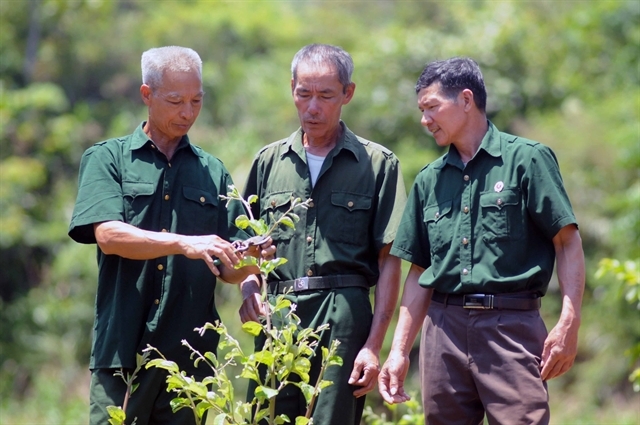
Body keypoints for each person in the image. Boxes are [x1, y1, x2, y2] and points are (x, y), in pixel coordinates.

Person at [68, 46, 273, 425]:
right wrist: (185, 242)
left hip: (190, 361)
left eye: (196, 101)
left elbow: (227, 263)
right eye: (176, 101)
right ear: (147, 95)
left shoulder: (213, 172)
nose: (187, 112)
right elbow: (109, 235)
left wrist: (251, 270)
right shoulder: (107, 159)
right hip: (122, 353)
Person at [378, 57, 585, 424]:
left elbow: (567, 242)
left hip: (510, 327)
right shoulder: (429, 179)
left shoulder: (527, 160)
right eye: (421, 111)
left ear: (467, 99)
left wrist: (569, 321)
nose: (425, 120)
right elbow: (419, 272)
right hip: (443, 333)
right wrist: (398, 351)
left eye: (432, 108)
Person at [238, 43, 407, 425]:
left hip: (344, 316)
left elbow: (389, 262)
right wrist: (249, 287)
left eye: (326, 96)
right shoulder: (268, 162)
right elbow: (247, 245)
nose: (313, 107)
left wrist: (374, 344)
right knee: (265, 416)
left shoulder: (378, 164)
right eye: (304, 94)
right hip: (278, 315)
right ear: (292, 89)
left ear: (348, 93)